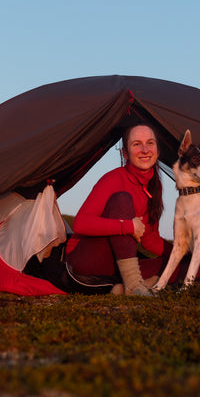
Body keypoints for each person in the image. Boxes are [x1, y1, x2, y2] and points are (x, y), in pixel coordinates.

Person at [65, 122, 182, 296]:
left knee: (181, 264)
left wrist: (180, 253)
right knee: (122, 199)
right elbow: (80, 224)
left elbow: (150, 239)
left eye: (150, 143)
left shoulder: (154, 186)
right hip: (85, 261)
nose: (145, 150)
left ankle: (125, 287)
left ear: (157, 150)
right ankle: (135, 286)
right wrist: (127, 226)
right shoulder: (114, 178)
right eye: (136, 144)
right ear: (125, 153)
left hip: (118, 264)